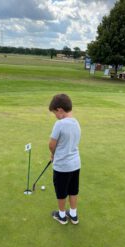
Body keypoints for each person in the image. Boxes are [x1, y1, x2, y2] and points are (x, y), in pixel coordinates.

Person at [49, 94, 81, 225]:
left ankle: (62, 216)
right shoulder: (76, 122)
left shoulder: (59, 124)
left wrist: (53, 154)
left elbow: (51, 145)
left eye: (54, 113)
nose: (55, 116)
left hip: (62, 166)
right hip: (75, 164)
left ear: (60, 110)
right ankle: (73, 215)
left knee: (61, 192)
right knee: (73, 190)